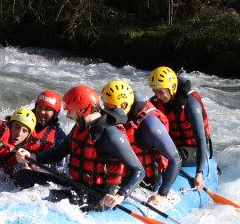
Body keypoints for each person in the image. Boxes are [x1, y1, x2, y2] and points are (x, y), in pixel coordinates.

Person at [14, 85, 144, 210]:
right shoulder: (80, 127)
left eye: (70, 111)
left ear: (82, 110)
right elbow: (58, 153)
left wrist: (120, 195)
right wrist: (31, 156)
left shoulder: (110, 134)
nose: (68, 115)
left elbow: (138, 170)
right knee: (23, 176)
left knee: (45, 196)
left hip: (99, 196)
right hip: (77, 185)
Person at [100, 80, 182, 208]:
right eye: (105, 106)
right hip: (124, 176)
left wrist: (162, 194)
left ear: (123, 105)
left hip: (146, 182)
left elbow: (176, 159)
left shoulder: (150, 126)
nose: (106, 111)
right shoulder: (120, 114)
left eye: (109, 108)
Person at [148, 66, 212, 189]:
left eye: (160, 91)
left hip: (194, 150)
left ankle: (161, 189)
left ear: (172, 87)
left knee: (174, 155)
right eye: (155, 91)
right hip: (173, 146)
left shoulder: (191, 104)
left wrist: (199, 173)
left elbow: (201, 139)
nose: (158, 96)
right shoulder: (155, 102)